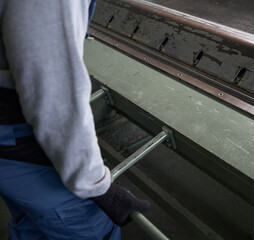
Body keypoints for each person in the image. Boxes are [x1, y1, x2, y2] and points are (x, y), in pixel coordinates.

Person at [0, 1, 149, 239]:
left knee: (30, 225)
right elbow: (54, 94)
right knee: (88, 227)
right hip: (27, 150)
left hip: (9, 153)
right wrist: (96, 186)